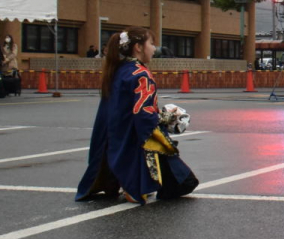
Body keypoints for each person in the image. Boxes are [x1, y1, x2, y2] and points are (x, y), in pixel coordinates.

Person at [75, 26, 198, 205]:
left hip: (116, 137)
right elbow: (144, 114)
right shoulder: (141, 74)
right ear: (138, 47)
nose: (154, 48)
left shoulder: (119, 70)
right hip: (134, 138)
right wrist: (168, 119)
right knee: (185, 182)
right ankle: (133, 187)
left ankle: (127, 184)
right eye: (151, 43)